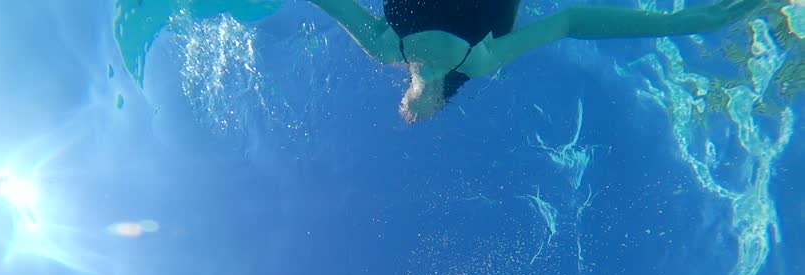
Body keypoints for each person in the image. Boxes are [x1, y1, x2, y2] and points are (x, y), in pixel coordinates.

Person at [307, 0, 766, 123]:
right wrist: (684, 21)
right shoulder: (473, 60)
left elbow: (569, 22)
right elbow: (569, 22)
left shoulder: (392, 46)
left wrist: (689, 21)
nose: (410, 108)